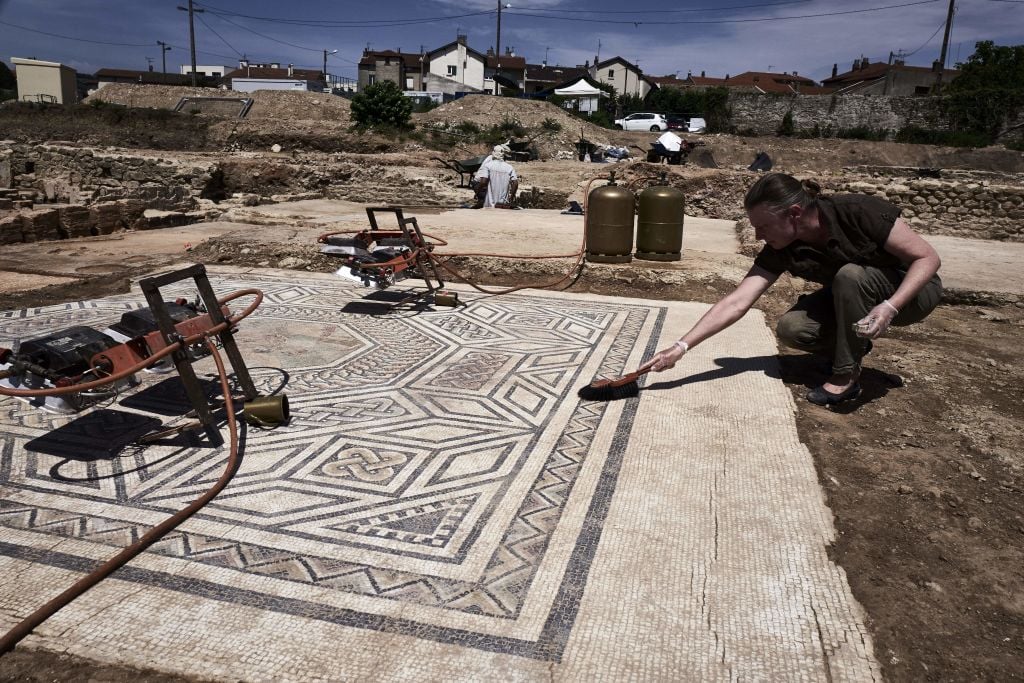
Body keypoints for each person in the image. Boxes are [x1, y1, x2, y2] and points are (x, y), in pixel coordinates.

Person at [647, 172, 942, 406]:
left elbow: (928, 258)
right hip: (855, 296)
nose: (758, 235)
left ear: (794, 213)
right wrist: (680, 348)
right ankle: (851, 346)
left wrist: (890, 306)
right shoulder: (782, 246)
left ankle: (845, 377)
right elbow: (738, 301)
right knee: (793, 328)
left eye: (763, 225)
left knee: (850, 275)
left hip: (913, 292)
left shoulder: (856, 211)